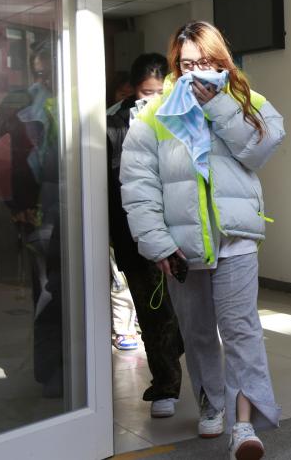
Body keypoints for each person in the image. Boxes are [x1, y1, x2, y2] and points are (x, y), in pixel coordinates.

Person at [120, 21, 285, 460]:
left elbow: (260, 149)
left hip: (235, 240)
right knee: (197, 334)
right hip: (183, 247)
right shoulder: (154, 113)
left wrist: (218, 107)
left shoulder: (244, 100)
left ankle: (244, 425)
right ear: (176, 65)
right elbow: (138, 184)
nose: (198, 72)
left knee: (242, 331)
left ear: (222, 61)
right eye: (188, 64)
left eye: (207, 62)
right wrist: (157, 244)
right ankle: (212, 401)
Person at [0, 41, 65, 397]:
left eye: (50, 72)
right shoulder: (23, 99)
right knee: (48, 291)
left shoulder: (81, 98)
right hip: (38, 208)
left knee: (80, 291)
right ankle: (51, 372)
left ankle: (82, 369)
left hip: (80, 207)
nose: (45, 79)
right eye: (39, 72)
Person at [106, 53, 185, 417]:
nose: (151, 99)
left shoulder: (183, 117)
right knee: (153, 313)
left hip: (181, 230)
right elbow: (112, 185)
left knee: (184, 313)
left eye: (158, 92)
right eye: (144, 92)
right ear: (131, 90)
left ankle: (196, 375)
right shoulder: (113, 125)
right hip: (134, 234)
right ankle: (165, 385)